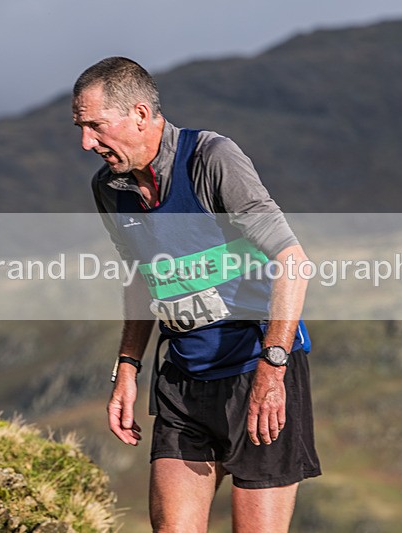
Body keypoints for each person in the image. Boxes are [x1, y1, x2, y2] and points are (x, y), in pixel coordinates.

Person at [72, 57, 320, 532]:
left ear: (140, 115)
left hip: (256, 371)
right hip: (182, 379)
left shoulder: (211, 158)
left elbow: (293, 261)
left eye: (96, 126)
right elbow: (140, 278)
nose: (86, 142)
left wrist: (273, 368)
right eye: (80, 127)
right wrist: (127, 367)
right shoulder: (109, 188)